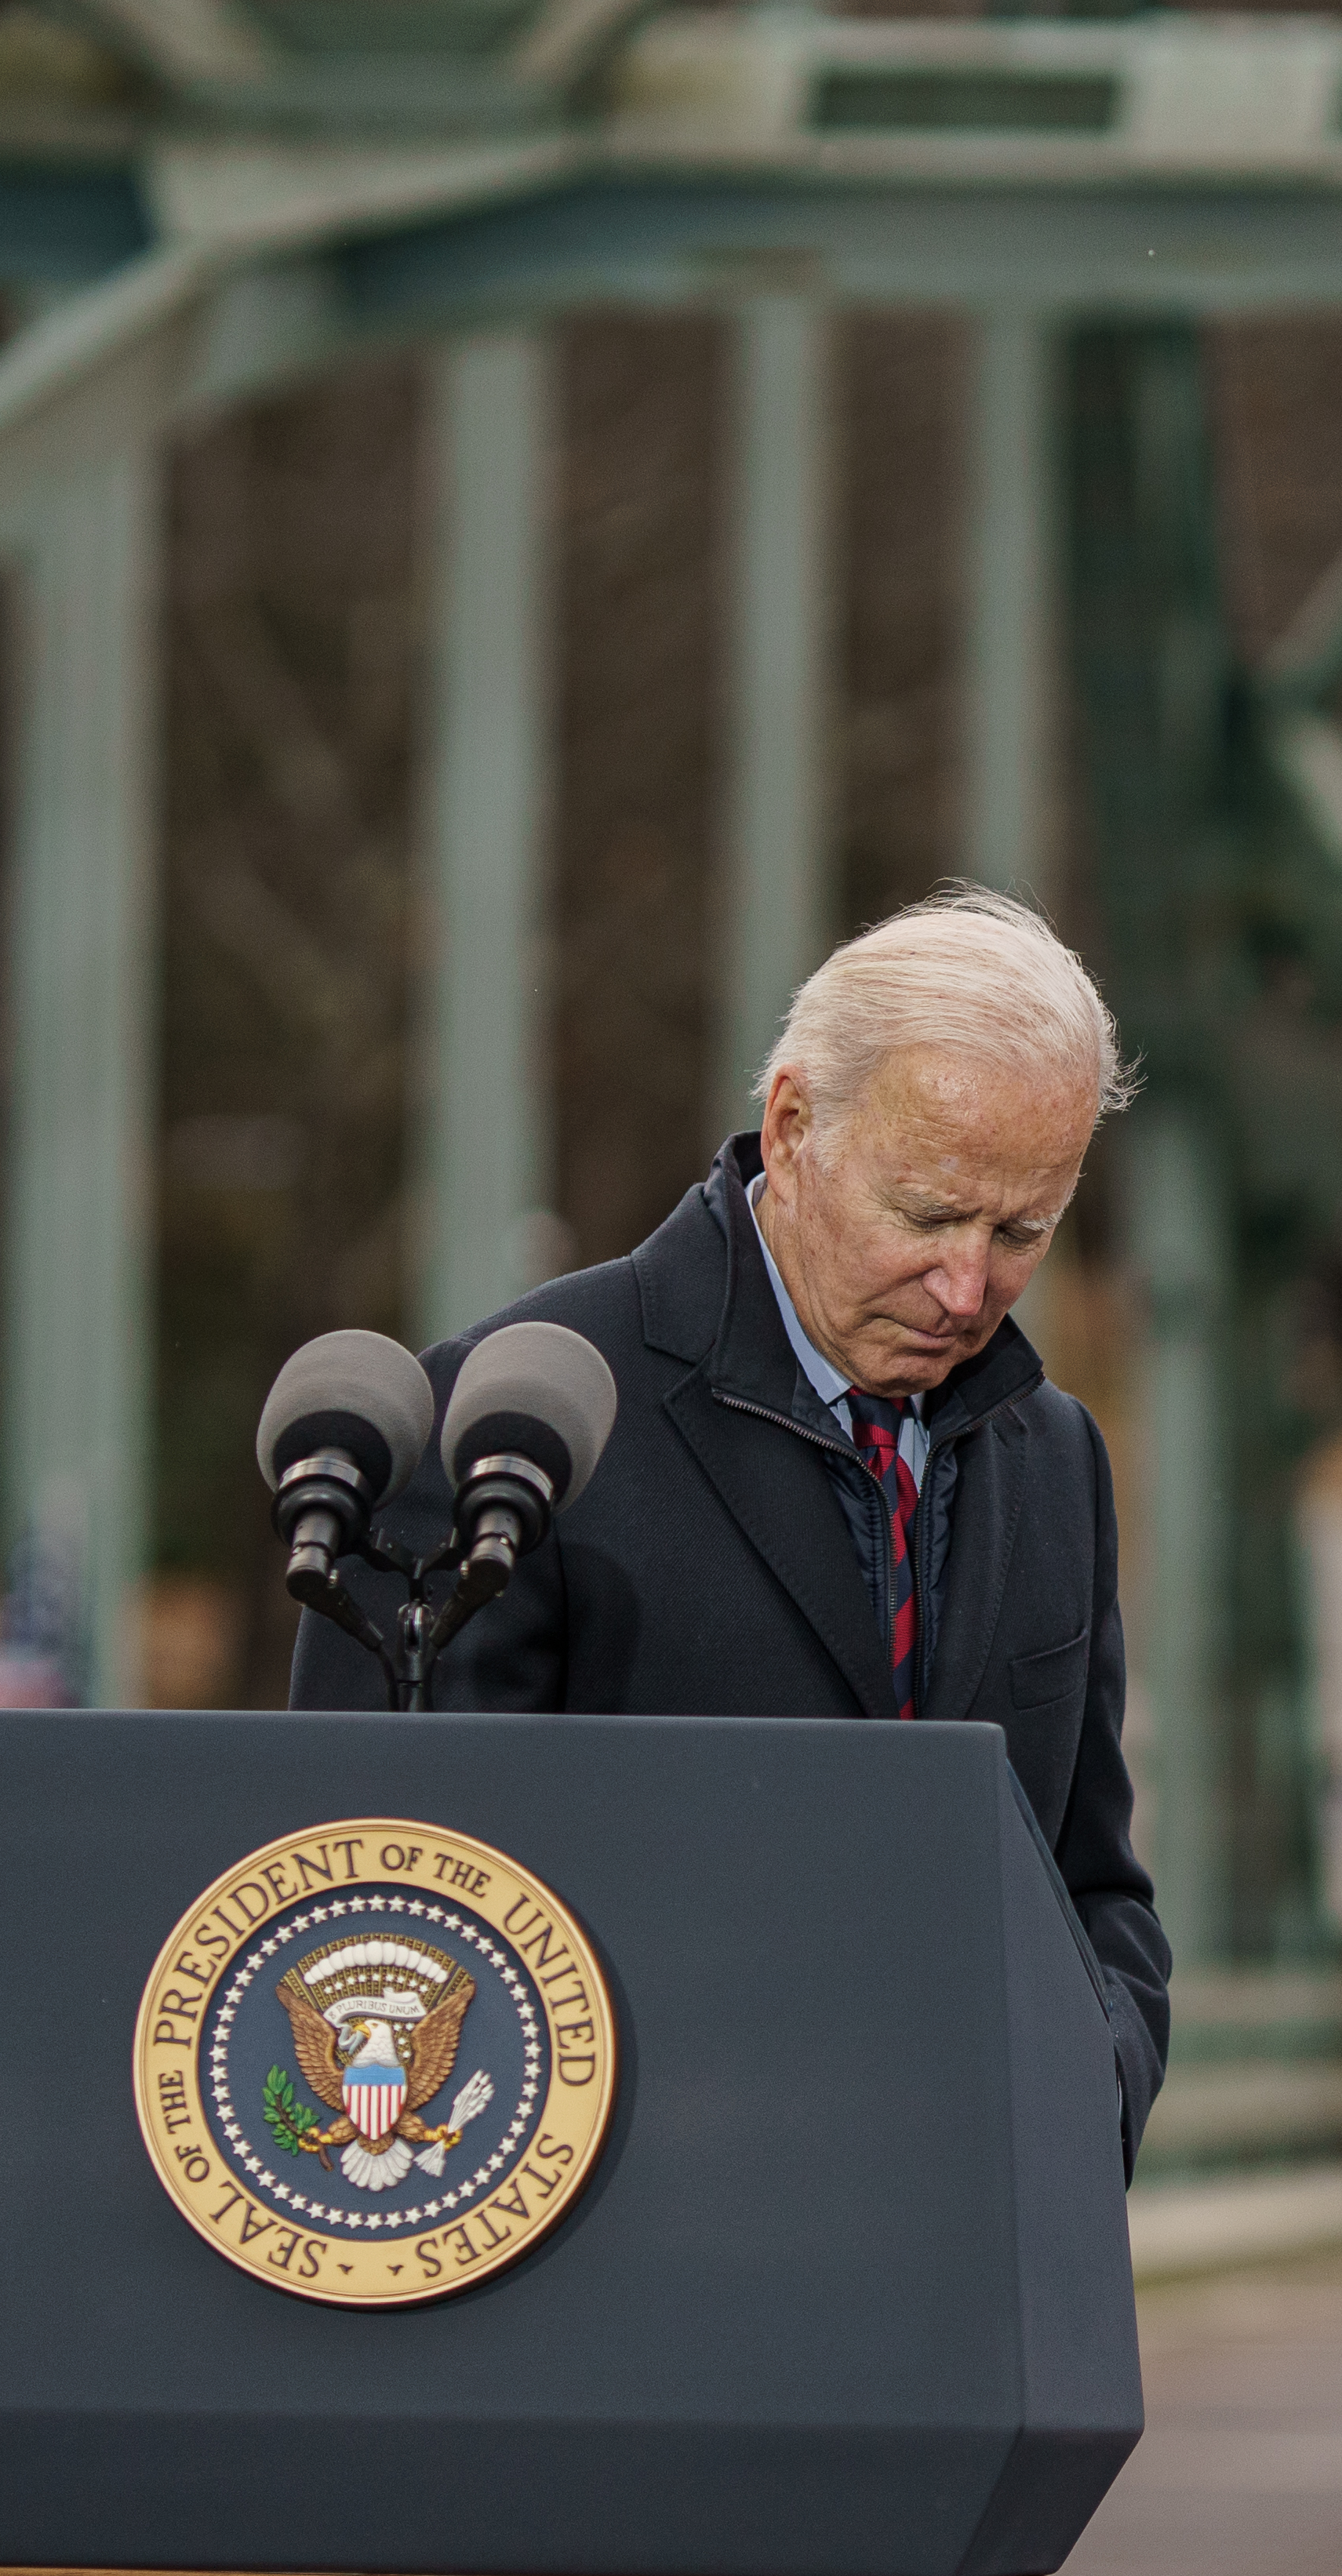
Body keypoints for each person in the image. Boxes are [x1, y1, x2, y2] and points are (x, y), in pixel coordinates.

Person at [290, 887, 1169, 2164]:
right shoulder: (494, 1431)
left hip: (966, 2258)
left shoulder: (1058, 1460)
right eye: (927, 1215)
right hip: (627, 2253)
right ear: (795, 1124)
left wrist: (1094, 2086)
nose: (970, 1285)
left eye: (1023, 1229)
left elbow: (1091, 1881)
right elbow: (380, 1906)